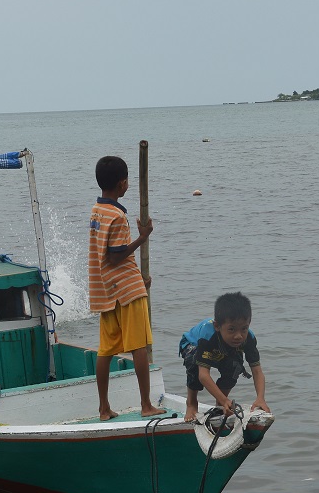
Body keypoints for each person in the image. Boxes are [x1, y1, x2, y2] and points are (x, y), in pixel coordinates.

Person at [88, 155, 164, 421]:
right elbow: (117, 256)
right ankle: (146, 404)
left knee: (106, 350)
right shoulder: (118, 216)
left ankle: (103, 408)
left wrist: (139, 278)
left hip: (106, 289)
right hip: (126, 291)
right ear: (122, 184)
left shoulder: (97, 210)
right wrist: (143, 237)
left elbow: (107, 256)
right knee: (139, 345)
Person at [179, 291, 269, 423]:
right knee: (194, 361)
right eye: (231, 329)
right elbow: (203, 375)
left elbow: (257, 371)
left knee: (236, 366)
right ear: (217, 326)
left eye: (244, 329)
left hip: (224, 350)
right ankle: (192, 403)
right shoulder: (207, 335)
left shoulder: (248, 338)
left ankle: (220, 404)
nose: (238, 336)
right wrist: (225, 400)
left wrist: (260, 398)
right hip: (193, 345)